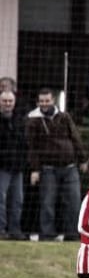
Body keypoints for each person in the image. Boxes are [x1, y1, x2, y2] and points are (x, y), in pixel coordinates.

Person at [26, 88, 86, 241]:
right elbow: (32, 147)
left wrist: (83, 160)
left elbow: (75, 137)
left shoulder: (64, 117)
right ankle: (47, 235)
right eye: (42, 101)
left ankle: (73, 235)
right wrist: (35, 169)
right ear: (38, 102)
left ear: (53, 100)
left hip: (70, 167)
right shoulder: (33, 120)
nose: (45, 104)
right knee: (47, 203)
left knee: (74, 202)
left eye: (47, 101)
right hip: (48, 169)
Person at [0, 90, 27, 240]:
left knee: (17, 200)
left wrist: (23, 163)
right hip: (2, 168)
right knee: (1, 201)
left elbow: (24, 144)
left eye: (10, 101)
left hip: (17, 167)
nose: (8, 104)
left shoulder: (19, 120)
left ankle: (15, 230)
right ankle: (1, 231)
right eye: (5, 101)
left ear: (14, 102)